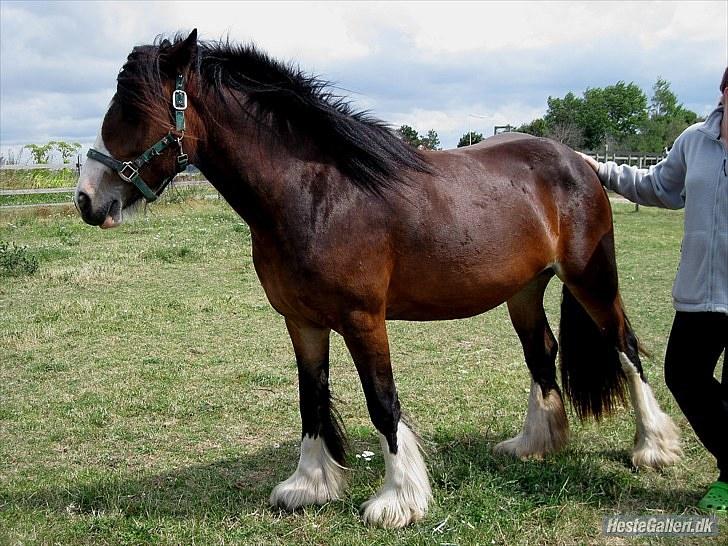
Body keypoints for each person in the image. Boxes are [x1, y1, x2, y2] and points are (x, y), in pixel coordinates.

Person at [577, 67, 728, 514]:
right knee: (684, 376)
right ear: (724, 91)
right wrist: (598, 169)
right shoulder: (695, 141)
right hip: (701, 291)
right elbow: (659, 186)